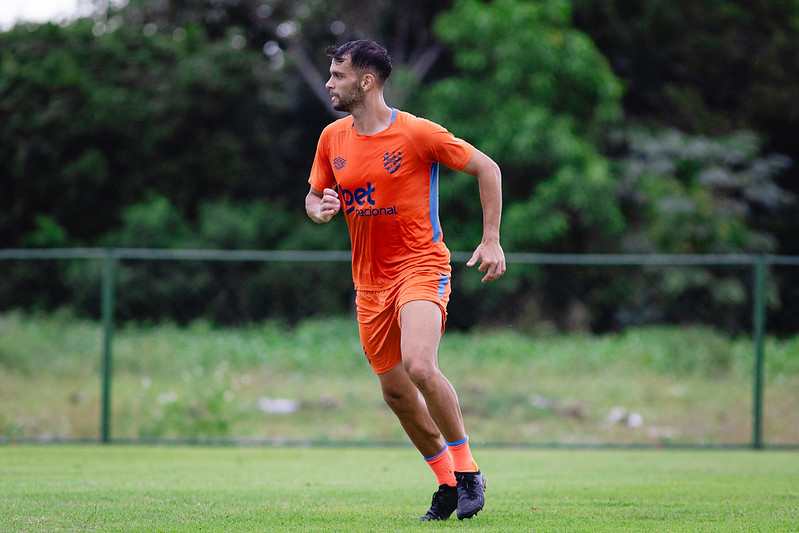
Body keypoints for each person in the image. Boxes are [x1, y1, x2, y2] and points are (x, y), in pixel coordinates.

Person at [305, 40, 505, 521]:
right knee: (395, 393)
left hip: (421, 267)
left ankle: (467, 469)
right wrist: (320, 209)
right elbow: (314, 196)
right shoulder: (332, 138)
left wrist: (492, 238)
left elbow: (487, 168)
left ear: (366, 81)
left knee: (419, 364)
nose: (330, 83)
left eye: (337, 75)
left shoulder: (417, 133)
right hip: (369, 283)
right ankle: (446, 485)